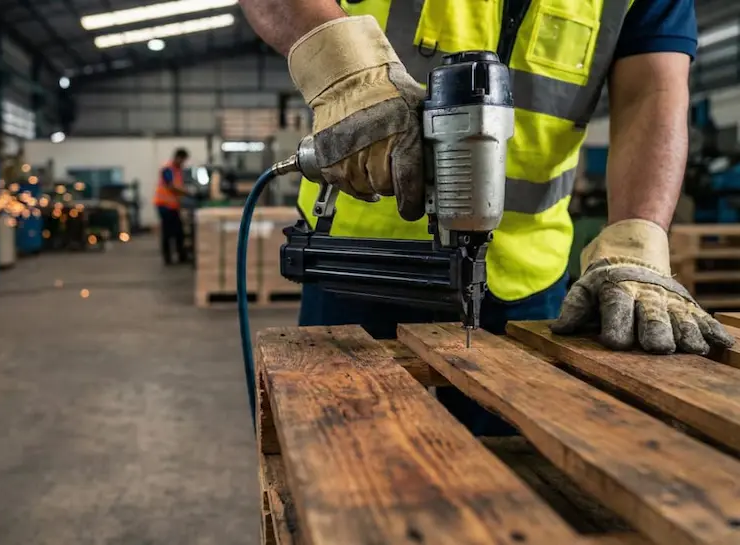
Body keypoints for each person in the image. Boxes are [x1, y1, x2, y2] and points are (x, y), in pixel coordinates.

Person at [238, 0, 734, 434]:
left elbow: (654, 92)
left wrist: (636, 240)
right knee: (343, 459)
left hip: (525, 277)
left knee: (518, 472)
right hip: (365, 260)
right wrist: (348, 77)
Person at [153, 148, 190, 265]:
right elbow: (171, 186)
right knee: (168, 232)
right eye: (183, 160)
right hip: (164, 205)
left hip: (173, 206)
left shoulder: (178, 170)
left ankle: (181, 256)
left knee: (179, 232)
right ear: (178, 157)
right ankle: (168, 258)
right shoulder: (167, 169)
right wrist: (187, 192)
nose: (183, 163)